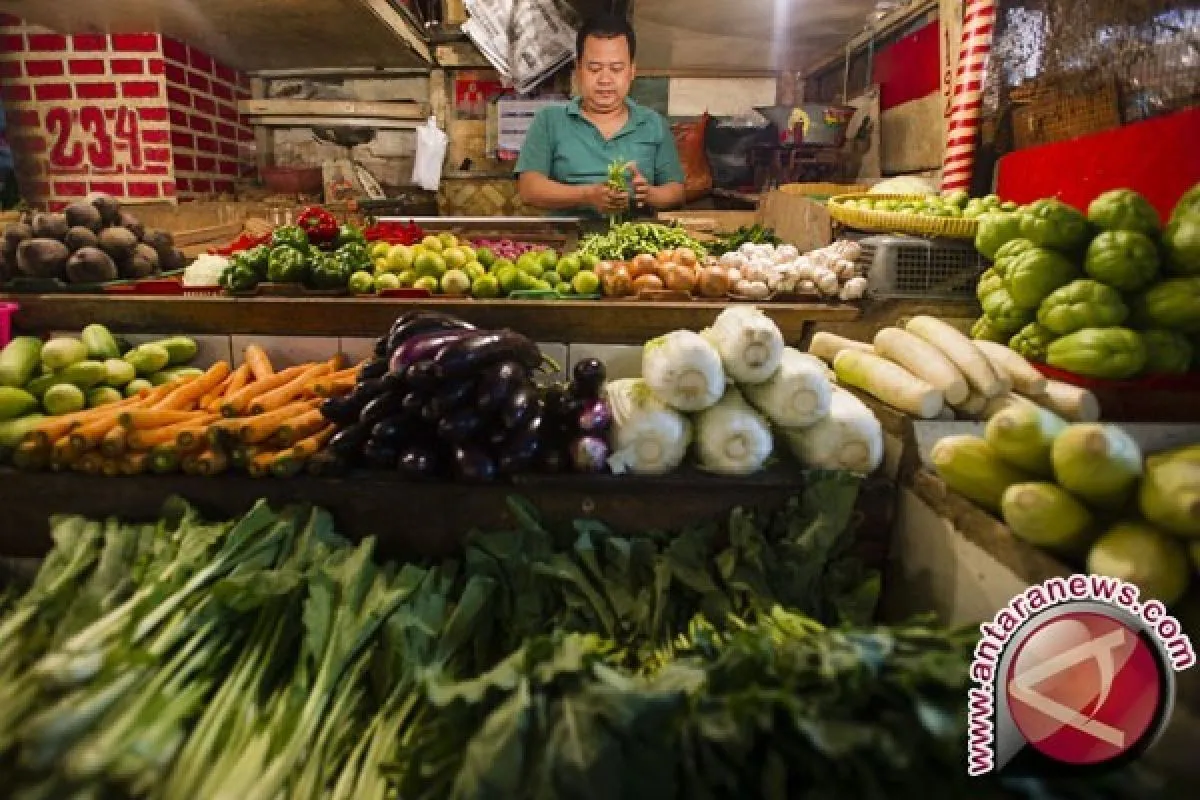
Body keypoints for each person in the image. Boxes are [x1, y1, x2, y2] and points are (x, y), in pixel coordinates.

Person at [516, 14, 685, 220]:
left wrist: (648, 194)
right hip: (568, 236)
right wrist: (587, 195)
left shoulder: (653, 123)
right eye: (594, 69)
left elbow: (676, 191)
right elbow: (529, 189)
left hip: (635, 237)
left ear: (632, 71)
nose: (605, 79)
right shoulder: (549, 120)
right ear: (579, 69)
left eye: (616, 69)